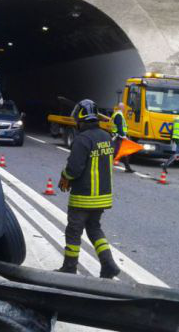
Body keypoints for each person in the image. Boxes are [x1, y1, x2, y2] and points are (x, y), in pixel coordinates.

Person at [56, 99, 121, 279]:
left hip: (83, 197)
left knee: (73, 232)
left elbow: (74, 169)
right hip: (102, 197)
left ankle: (69, 268)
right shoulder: (106, 137)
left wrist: (64, 176)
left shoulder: (82, 139)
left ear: (81, 119)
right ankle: (108, 264)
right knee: (94, 229)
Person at [111, 102, 134, 173]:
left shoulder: (118, 114)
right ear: (122, 108)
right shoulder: (119, 115)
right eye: (124, 107)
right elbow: (119, 127)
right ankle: (104, 165)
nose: (124, 108)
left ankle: (128, 168)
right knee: (116, 152)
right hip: (118, 136)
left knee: (122, 152)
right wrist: (124, 136)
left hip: (118, 136)